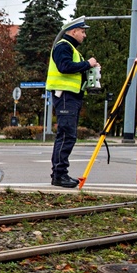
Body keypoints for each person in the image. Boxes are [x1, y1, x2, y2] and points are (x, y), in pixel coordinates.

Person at [46, 16, 100, 188]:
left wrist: (90, 69)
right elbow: (65, 67)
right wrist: (87, 63)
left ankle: (60, 174)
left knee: (68, 135)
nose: (84, 35)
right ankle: (59, 175)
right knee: (66, 135)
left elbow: (72, 70)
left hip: (71, 96)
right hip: (65, 96)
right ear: (73, 31)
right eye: (82, 32)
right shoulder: (63, 46)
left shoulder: (71, 49)